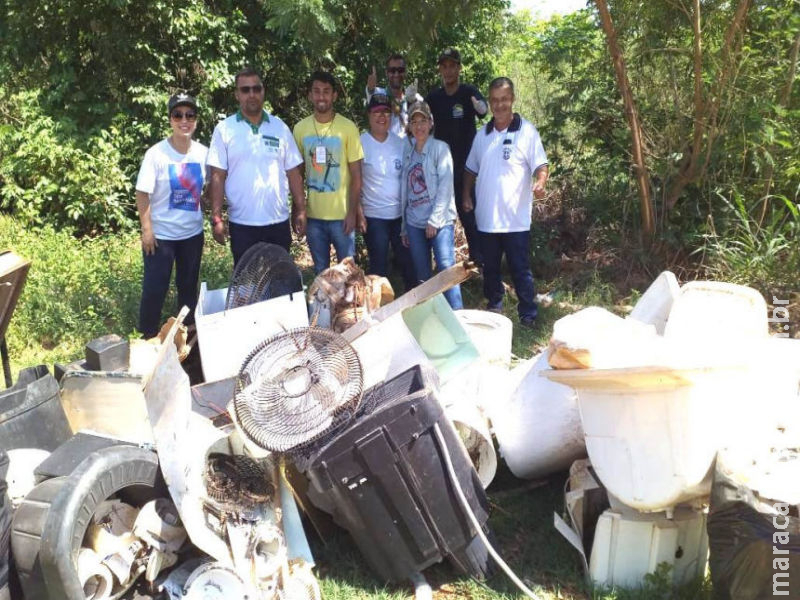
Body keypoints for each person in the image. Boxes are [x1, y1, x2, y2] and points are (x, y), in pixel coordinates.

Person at [463, 77, 549, 327]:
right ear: (489, 103)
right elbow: (470, 169)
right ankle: (494, 310)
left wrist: (541, 182)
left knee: (521, 269)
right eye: (495, 100)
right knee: (490, 269)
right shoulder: (482, 135)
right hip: (487, 220)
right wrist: (467, 194)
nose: (499, 105)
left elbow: (541, 165)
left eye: (504, 99)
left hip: (516, 221)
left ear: (512, 99)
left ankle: (528, 315)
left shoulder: (527, 131)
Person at [206, 67, 306, 266]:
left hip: (277, 222)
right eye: (245, 90)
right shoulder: (225, 130)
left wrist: (301, 209)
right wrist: (216, 218)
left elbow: (294, 173)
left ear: (263, 91)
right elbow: (218, 176)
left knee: (280, 284)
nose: (251, 94)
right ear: (237, 94)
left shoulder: (280, 128)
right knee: (247, 286)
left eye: (256, 88)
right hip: (242, 225)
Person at [135, 93, 207, 338]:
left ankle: (186, 339)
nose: (184, 120)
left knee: (188, 290)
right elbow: (142, 193)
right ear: (170, 119)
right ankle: (146, 339)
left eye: (190, 115)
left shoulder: (203, 154)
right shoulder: (156, 154)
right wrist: (147, 230)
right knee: (155, 290)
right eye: (178, 115)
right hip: (161, 237)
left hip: (192, 235)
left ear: (196, 120)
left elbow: (207, 191)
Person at [294, 71, 364, 273]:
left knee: (348, 274)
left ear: (334, 95)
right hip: (314, 217)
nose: (321, 96)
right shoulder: (300, 129)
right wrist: (297, 210)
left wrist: (352, 212)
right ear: (310, 95)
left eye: (326, 91)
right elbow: (297, 175)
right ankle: (321, 306)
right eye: (316, 91)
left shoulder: (348, 128)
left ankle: (352, 306)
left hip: (342, 217)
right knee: (321, 273)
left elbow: (357, 176)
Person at [425, 48, 488, 267]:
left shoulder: (468, 92)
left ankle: (479, 263)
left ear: (459, 68)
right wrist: (413, 102)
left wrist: (481, 106)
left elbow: (483, 111)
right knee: (438, 214)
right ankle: (440, 265)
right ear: (440, 69)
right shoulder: (434, 97)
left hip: (466, 168)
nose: (448, 70)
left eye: (452, 65)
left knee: (469, 214)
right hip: (441, 168)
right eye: (444, 66)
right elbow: (419, 117)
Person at [400, 101, 462, 309]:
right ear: (409, 126)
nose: (419, 126)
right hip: (414, 223)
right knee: (422, 275)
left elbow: (445, 187)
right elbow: (405, 191)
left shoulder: (440, 149)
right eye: (414, 121)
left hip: (440, 221)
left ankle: (457, 315)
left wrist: (434, 220)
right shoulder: (407, 152)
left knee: (446, 268)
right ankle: (432, 317)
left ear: (431, 123)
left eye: (423, 121)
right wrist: (403, 227)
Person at [360, 89, 416, 291]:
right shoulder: (361, 143)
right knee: (378, 267)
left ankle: (413, 305)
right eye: (376, 112)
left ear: (391, 116)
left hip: (400, 216)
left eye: (385, 112)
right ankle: (376, 311)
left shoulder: (400, 143)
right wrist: (358, 212)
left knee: (408, 264)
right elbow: (354, 181)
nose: (381, 116)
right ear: (369, 115)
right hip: (374, 216)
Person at [365, 53, 420, 138]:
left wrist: (412, 102)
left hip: (408, 149)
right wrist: (370, 87)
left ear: (405, 72)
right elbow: (371, 92)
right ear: (387, 73)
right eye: (392, 70)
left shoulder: (413, 97)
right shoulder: (379, 95)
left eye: (400, 70)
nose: (396, 74)